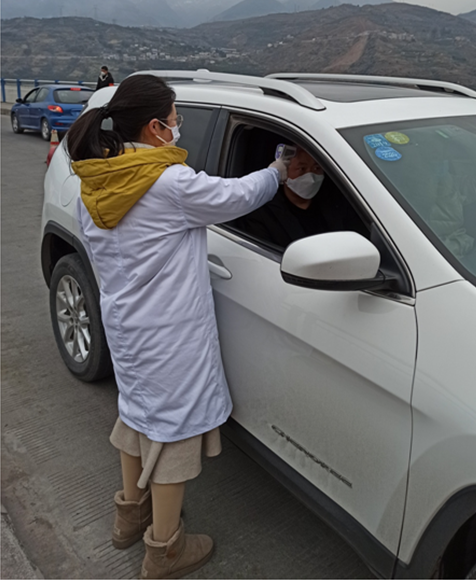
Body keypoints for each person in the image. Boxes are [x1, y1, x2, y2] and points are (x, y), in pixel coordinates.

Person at [66, 74, 289, 580]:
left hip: (127, 327)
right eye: (173, 119)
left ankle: (129, 517)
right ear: (154, 127)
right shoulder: (167, 183)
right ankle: (164, 548)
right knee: (172, 436)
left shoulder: (95, 182)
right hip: (170, 336)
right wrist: (278, 170)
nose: (177, 127)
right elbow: (236, 196)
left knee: (136, 416)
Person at [237, 145, 355, 248]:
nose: (311, 176)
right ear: (284, 171)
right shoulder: (264, 215)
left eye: (317, 168)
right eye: (302, 168)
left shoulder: (337, 202)